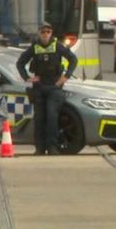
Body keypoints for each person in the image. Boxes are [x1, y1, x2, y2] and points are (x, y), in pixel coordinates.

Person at [16, 22, 78, 155]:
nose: (45, 34)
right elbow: (20, 63)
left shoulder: (58, 46)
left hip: (54, 87)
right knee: (39, 119)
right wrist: (27, 78)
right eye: (43, 32)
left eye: (48, 32)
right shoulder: (34, 47)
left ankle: (52, 148)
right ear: (39, 33)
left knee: (52, 117)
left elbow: (73, 59)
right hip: (39, 87)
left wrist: (65, 77)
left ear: (51, 33)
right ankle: (39, 148)